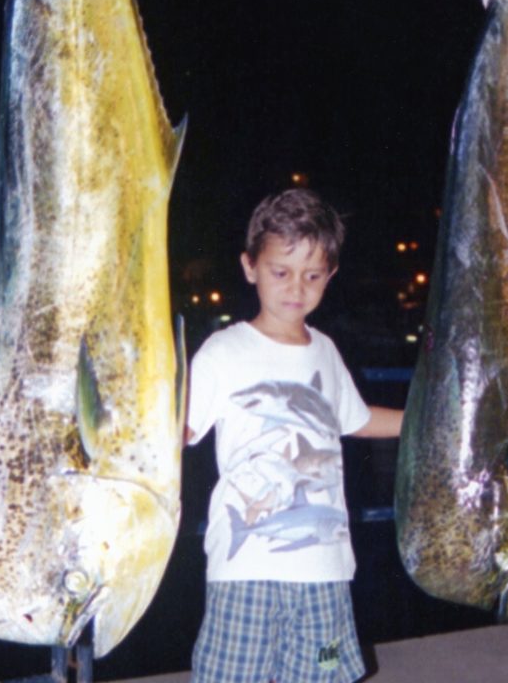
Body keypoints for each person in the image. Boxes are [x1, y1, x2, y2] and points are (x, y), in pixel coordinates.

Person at [185, 188, 404, 683]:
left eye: (312, 275)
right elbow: (179, 431)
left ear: (330, 275)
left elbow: (356, 419)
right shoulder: (223, 351)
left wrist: (427, 422)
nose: (296, 288)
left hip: (325, 567)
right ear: (250, 267)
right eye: (280, 272)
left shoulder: (325, 350)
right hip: (245, 567)